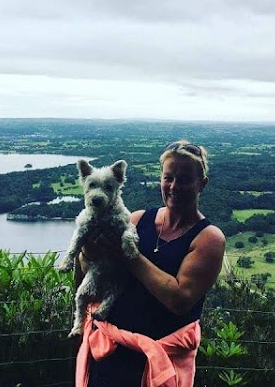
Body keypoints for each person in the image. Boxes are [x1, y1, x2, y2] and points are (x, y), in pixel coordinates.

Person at [75, 140, 226, 387]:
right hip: (110, 353)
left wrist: (129, 256)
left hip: (159, 365)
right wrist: (87, 255)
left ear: (203, 184)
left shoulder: (208, 239)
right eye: (168, 178)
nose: (174, 186)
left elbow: (180, 300)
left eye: (185, 179)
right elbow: (93, 271)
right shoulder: (137, 219)